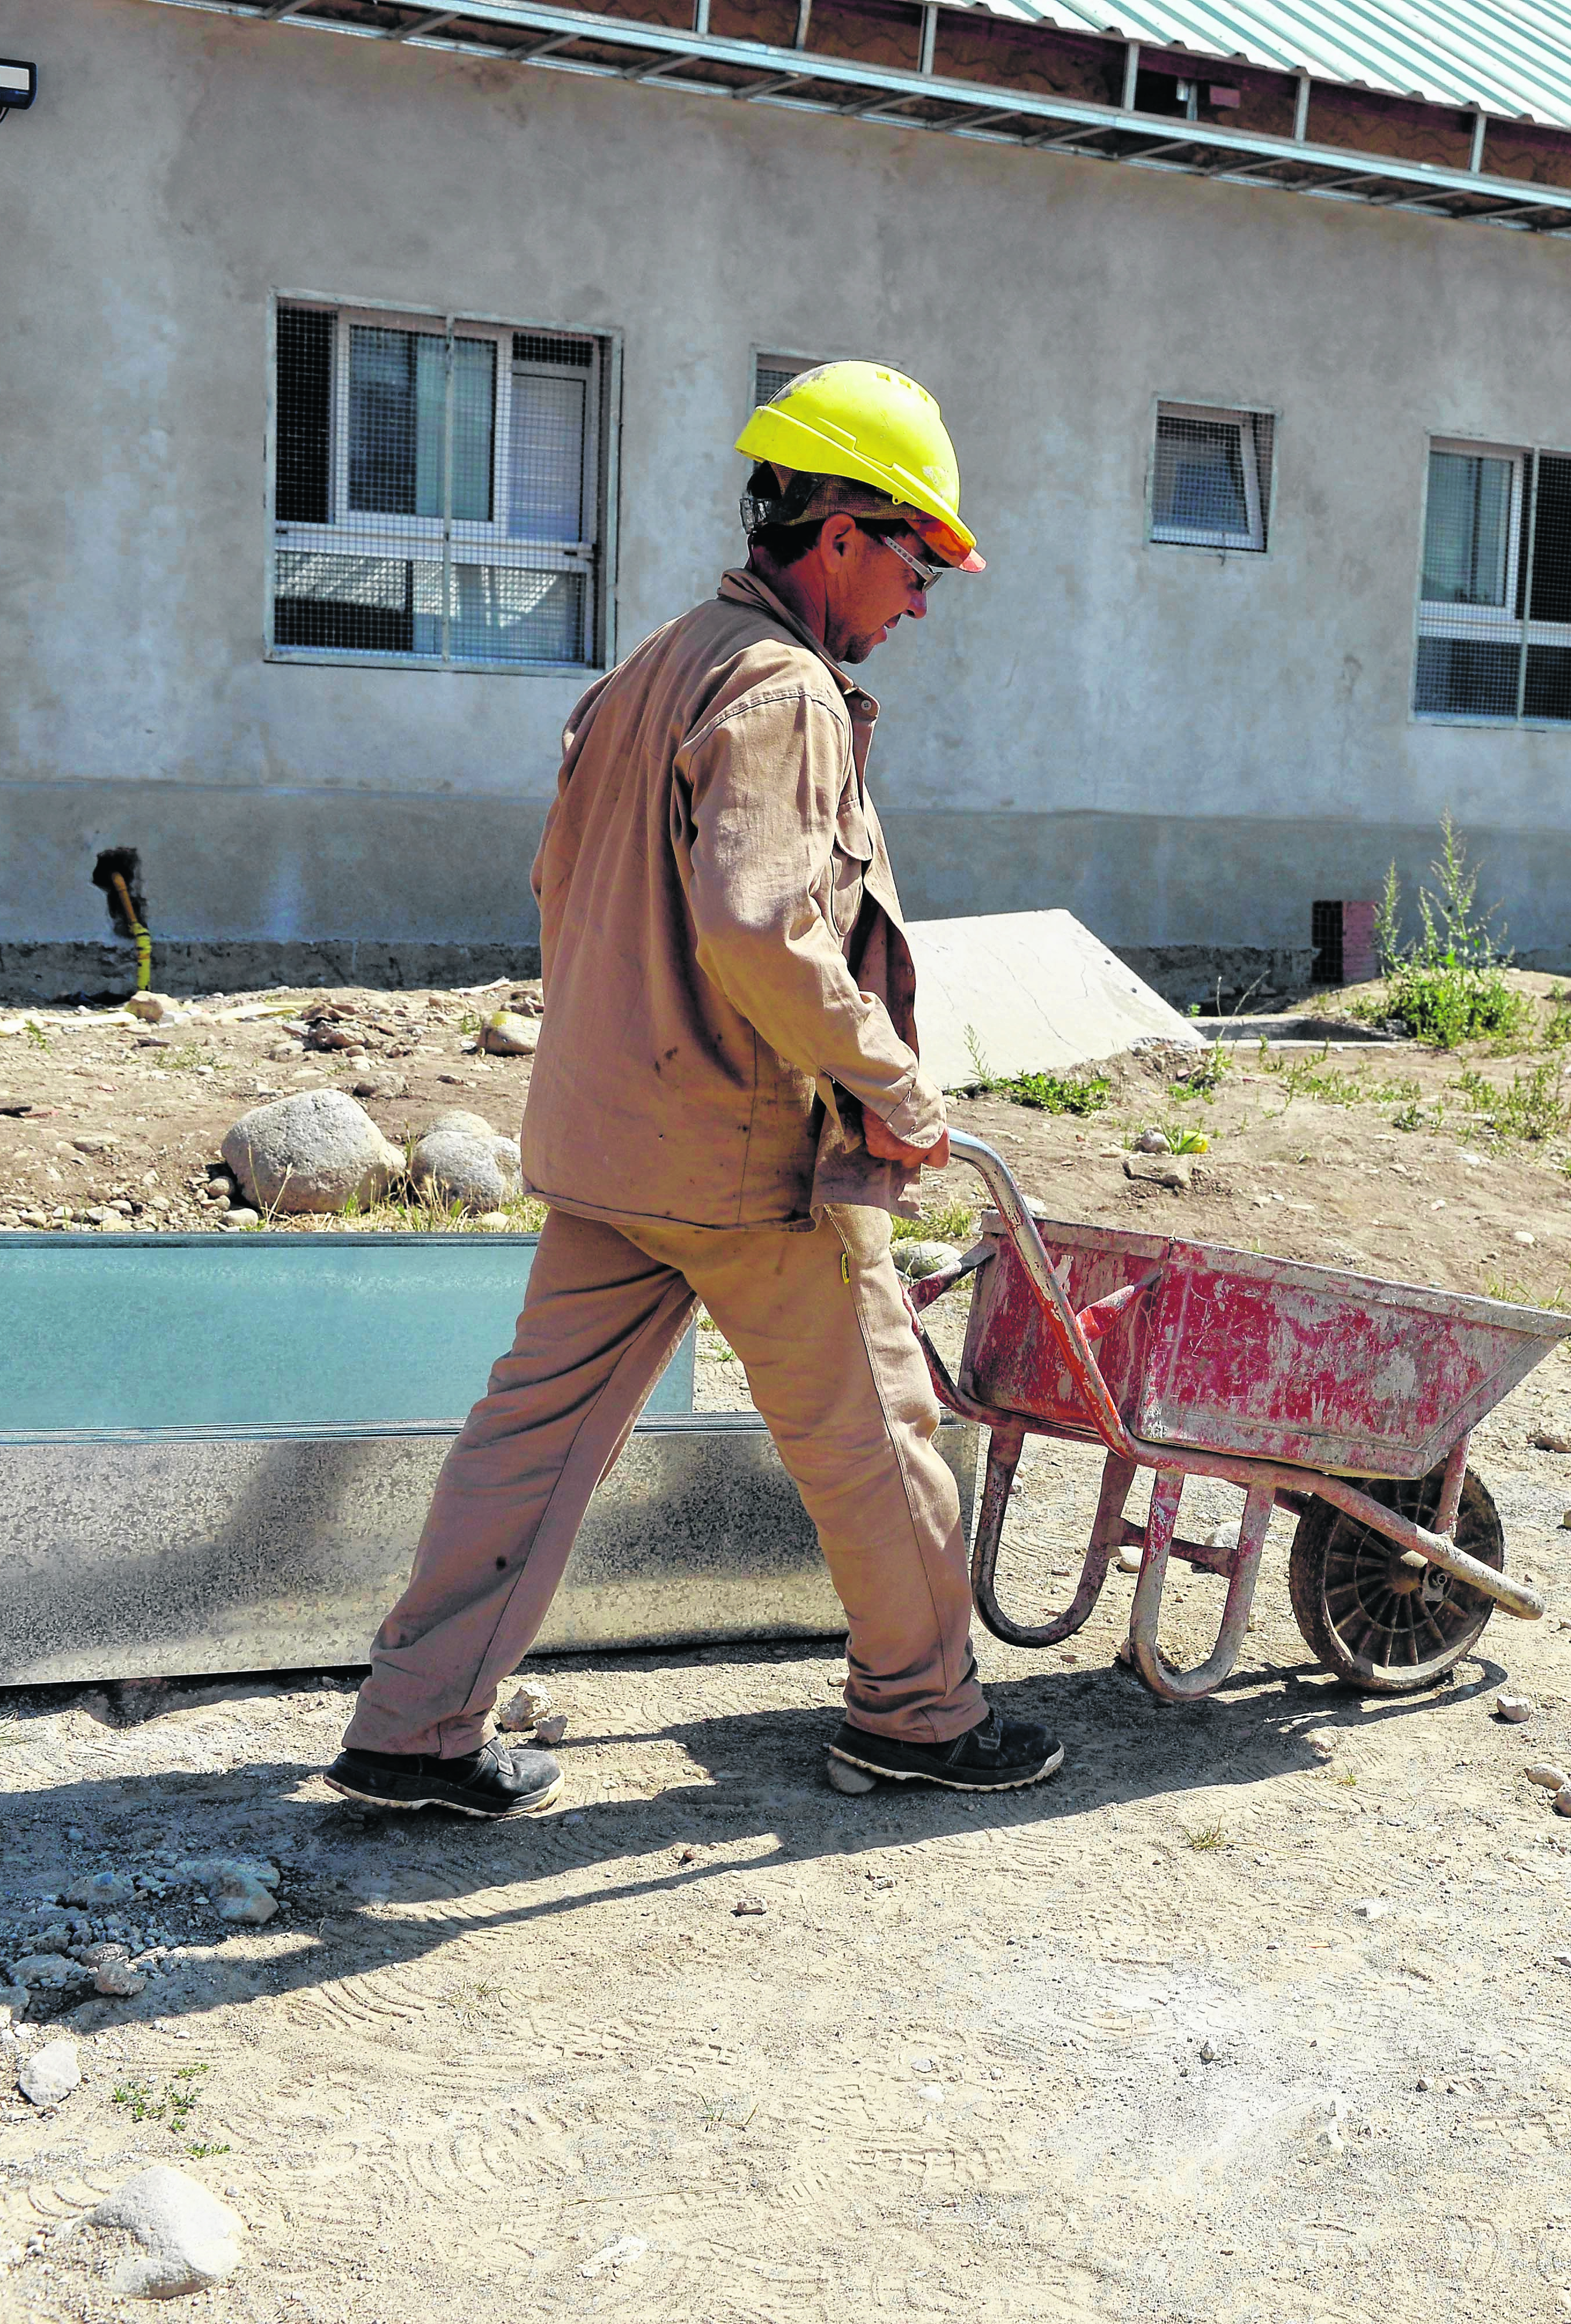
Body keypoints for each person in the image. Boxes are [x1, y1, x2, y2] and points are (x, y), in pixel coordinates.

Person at [323, 361, 1066, 1818]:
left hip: (610, 1140)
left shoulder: (658, 663)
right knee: (877, 1433)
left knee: (528, 1442)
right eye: (916, 562)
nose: (918, 603)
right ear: (840, 530)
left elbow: (567, 887)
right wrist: (892, 1087)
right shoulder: (780, 688)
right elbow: (758, 922)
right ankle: (918, 1712)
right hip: (742, 1160)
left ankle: (411, 1728)